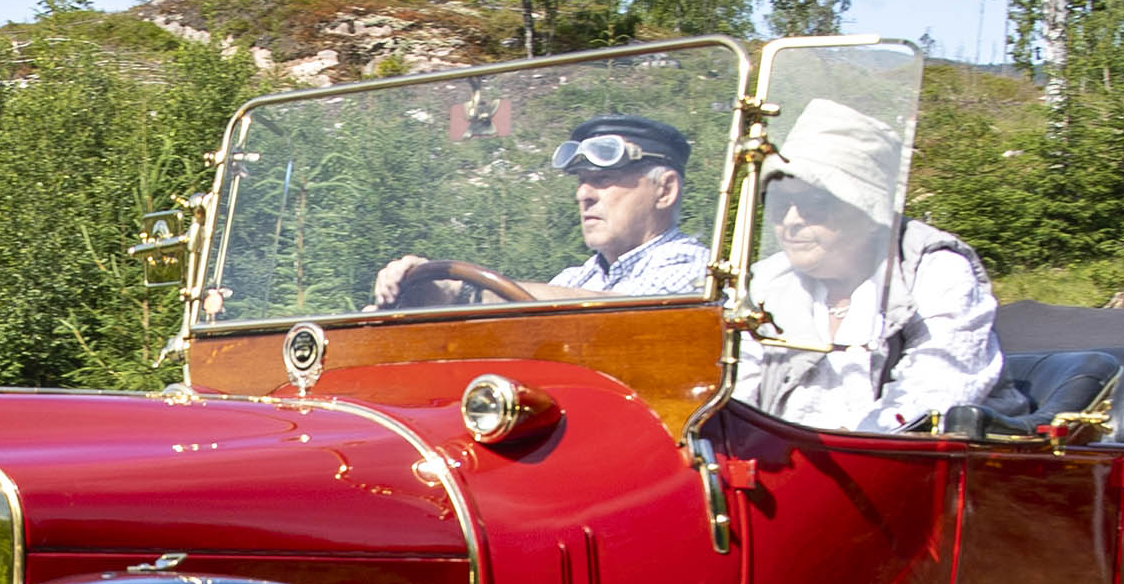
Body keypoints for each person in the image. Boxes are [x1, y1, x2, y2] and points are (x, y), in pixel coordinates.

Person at [737, 96, 1005, 431]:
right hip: (773, 456)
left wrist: (838, 448)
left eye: (814, 203)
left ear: (868, 209)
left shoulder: (933, 272)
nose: (790, 220)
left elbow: (932, 395)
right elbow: (732, 397)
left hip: (888, 457)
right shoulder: (765, 281)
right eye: (779, 202)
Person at [371, 115, 712, 308]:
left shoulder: (695, 269)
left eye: (603, 179)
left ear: (664, 191)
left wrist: (463, 290)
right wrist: (415, 294)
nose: (583, 194)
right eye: (581, 180)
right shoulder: (575, 279)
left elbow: (631, 312)